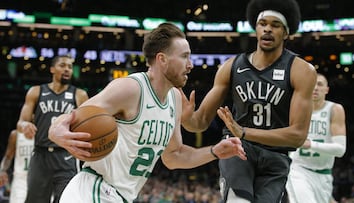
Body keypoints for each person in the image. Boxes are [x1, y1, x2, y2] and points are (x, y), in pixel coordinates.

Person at [47, 22, 247, 203]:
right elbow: (76, 115)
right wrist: (56, 129)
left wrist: (214, 151)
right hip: (93, 191)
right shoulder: (130, 89)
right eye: (185, 56)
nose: (190, 64)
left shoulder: (174, 99)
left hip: (119, 197)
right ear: (162, 59)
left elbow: (174, 156)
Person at [180, 0, 317, 202]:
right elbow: (199, 123)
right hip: (237, 148)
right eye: (263, 24)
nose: (267, 29)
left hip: (275, 157)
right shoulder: (231, 67)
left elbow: (297, 136)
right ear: (256, 28)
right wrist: (186, 119)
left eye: (275, 25)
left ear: (286, 33)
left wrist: (245, 131)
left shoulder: (301, 71)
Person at [16, 55, 89, 203]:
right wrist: (25, 125)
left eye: (70, 66)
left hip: (66, 156)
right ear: (52, 69)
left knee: (67, 200)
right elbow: (21, 122)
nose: (67, 69)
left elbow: (88, 124)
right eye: (62, 65)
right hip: (41, 155)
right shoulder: (36, 92)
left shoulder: (80, 95)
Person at [285, 73, 346, 203]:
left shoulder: (335, 110)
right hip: (298, 170)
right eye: (312, 84)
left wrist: (310, 144)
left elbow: (340, 150)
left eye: (319, 84)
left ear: (326, 89)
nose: (315, 88)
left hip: (324, 175)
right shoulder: (295, 108)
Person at [0, 129, 34, 203]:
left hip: (42, 180)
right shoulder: (16, 134)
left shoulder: (44, 134)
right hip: (21, 180)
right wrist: (2, 170)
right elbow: (8, 156)